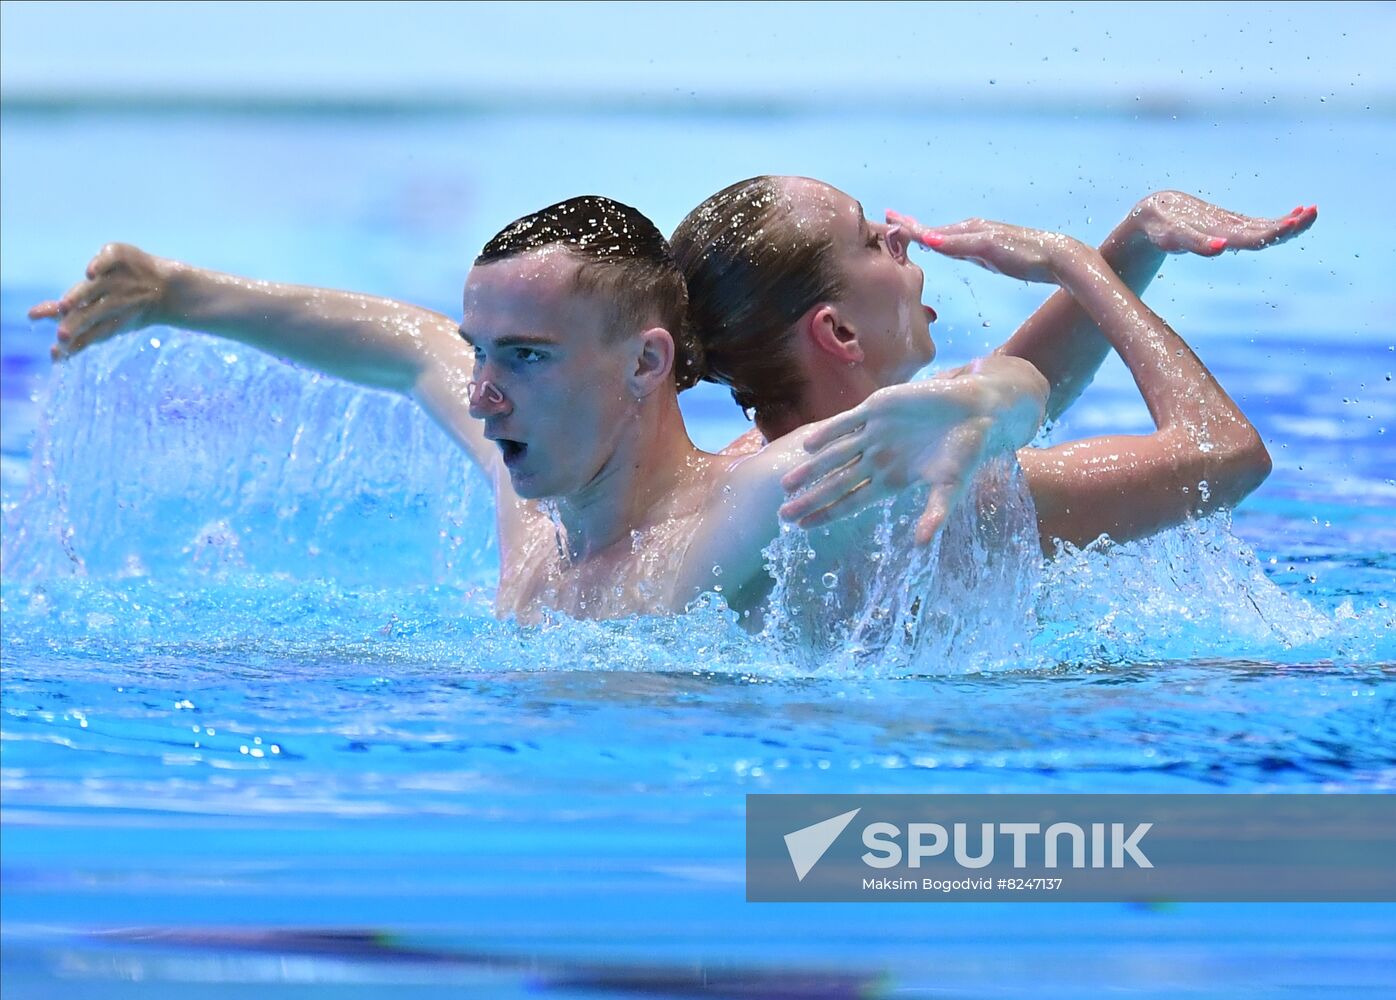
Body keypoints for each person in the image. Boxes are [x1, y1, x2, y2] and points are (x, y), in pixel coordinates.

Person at [28, 196, 1049, 623]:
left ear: (647, 363)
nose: (481, 390)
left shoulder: (729, 515)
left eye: (523, 356)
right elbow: (399, 343)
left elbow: (992, 399)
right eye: (484, 351)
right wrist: (179, 294)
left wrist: (987, 404)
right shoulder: (541, 520)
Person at [671, 179, 1315, 550]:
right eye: (870, 241)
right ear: (839, 333)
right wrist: (1072, 263)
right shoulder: (941, 499)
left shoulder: (750, 468)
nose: (897, 237)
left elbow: (995, 403)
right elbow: (1225, 457)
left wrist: (1138, 241)